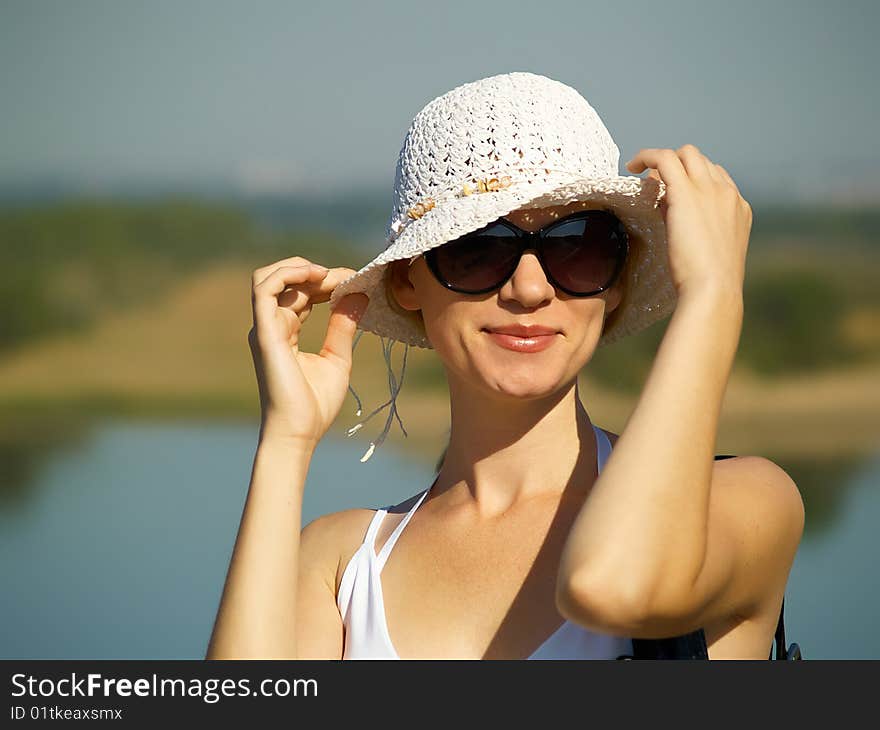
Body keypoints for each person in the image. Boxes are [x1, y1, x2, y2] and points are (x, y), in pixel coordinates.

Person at [206, 72, 805, 660]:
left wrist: (712, 297)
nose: (528, 289)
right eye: (478, 249)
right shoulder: (342, 562)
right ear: (409, 279)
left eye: (578, 247)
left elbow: (613, 587)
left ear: (617, 283)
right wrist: (286, 442)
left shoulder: (743, 501)